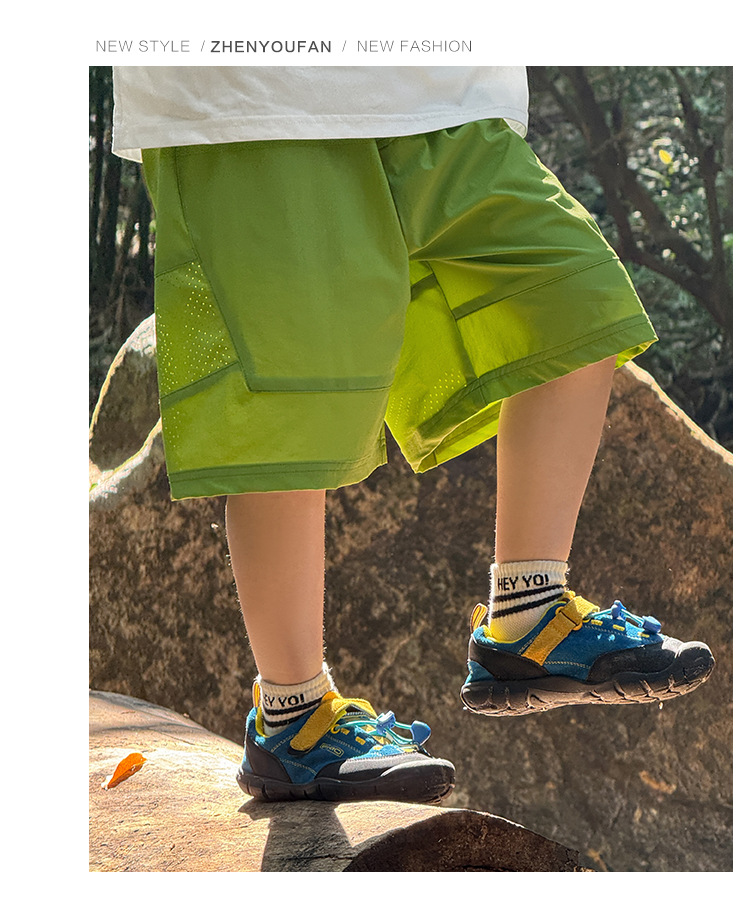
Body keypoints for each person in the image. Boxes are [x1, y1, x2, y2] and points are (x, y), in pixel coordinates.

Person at [110, 66, 714, 805]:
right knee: (291, 404)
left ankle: (528, 614)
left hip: (435, 86)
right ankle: (294, 720)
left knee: (574, 298)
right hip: (259, 93)